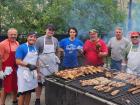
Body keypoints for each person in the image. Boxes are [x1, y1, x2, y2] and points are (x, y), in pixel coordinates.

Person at [35, 24, 60, 105]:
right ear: (45, 30)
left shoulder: (55, 40)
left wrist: (57, 58)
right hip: (42, 65)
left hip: (53, 65)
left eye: (52, 30)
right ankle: (37, 99)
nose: (51, 31)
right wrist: (37, 69)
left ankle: (52, 98)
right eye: (49, 29)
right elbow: (35, 54)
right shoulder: (39, 40)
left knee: (53, 82)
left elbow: (58, 50)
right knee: (40, 83)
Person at [15, 32, 38, 105]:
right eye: (31, 36)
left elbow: (36, 61)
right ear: (27, 37)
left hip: (32, 73)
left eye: (34, 37)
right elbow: (17, 61)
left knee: (29, 91)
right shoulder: (22, 47)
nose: (32, 38)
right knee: (22, 92)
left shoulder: (35, 47)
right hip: (23, 73)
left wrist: (38, 72)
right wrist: (28, 65)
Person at [0, 28, 19, 105]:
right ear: (8, 35)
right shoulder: (2, 44)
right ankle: (2, 103)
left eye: (15, 34)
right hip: (6, 69)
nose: (13, 36)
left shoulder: (17, 43)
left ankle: (15, 101)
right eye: (11, 34)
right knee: (5, 87)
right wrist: (0, 71)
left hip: (15, 68)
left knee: (15, 85)